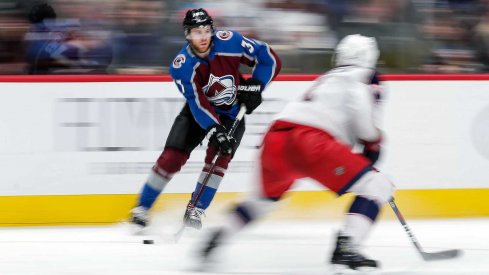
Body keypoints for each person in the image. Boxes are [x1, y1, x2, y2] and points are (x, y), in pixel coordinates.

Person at [197, 34, 395, 271]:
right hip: (312, 142)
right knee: (378, 185)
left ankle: (220, 236)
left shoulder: (329, 78)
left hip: (276, 139)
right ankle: (348, 246)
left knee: (261, 201)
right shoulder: (366, 75)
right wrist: (373, 142)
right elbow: (362, 114)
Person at [129, 8, 281, 230]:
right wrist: (214, 128)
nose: (202, 36)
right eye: (196, 32)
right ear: (187, 35)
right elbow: (198, 102)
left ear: (212, 30)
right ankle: (142, 208)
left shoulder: (232, 42)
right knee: (171, 157)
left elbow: (269, 59)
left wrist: (256, 86)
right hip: (197, 113)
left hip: (232, 112)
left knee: (219, 159)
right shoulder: (182, 65)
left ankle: (196, 210)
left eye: (206, 30)